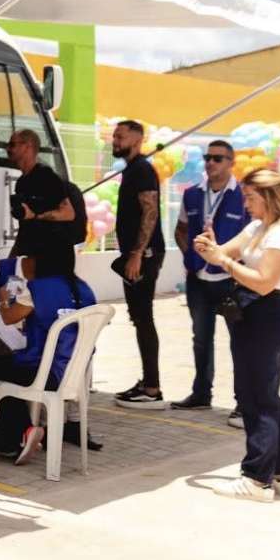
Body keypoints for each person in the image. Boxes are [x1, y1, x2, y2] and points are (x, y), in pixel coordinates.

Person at [193, 168, 280, 502]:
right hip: (255, 314)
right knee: (266, 395)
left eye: (250, 197)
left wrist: (223, 262)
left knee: (255, 398)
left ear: (270, 197)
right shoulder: (260, 227)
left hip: (267, 313)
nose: (245, 203)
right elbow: (224, 252)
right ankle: (277, 474)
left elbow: (263, 281)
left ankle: (257, 478)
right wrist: (210, 247)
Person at [0, 252, 98, 465]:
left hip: (44, 371)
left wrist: (2, 301)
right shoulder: (85, 289)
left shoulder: (38, 288)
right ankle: (4, 440)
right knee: (2, 373)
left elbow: (9, 318)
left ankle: (23, 433)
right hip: (73, 374)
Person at [171, 139, 249, 411]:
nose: (211, 162)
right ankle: (201, 393)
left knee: (239, 342)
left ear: (231, 162)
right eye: (208, 157)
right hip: (199, 280)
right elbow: (180, 229)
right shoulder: (192, 194)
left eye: (218, 158)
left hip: (231, 281)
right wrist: (189, 256)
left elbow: (253, 238)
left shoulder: (244, 196)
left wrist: (238, 266)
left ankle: (243, 401)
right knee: (201, 339)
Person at [110, 119, 168, 408]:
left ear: (136, 140)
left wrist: (136, 254)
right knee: (138, 316)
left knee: (143, 317)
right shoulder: (133, 169)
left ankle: (152, 388)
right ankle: (148, 382)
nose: (114, 140)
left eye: (120, 136)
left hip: (143, 255)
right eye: (114, 136)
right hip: (136, 254)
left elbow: (150, 213)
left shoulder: (143, 170)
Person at [7, 129, 78, 275]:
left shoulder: (46, 176)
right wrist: (13, 257)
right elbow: (25, 224)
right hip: (33, 253)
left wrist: (35, 215)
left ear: (28, 147)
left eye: (12, 144)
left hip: (53, 252)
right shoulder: (21, 182)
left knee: (50, 295)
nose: (8, 149)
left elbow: (68, 213)